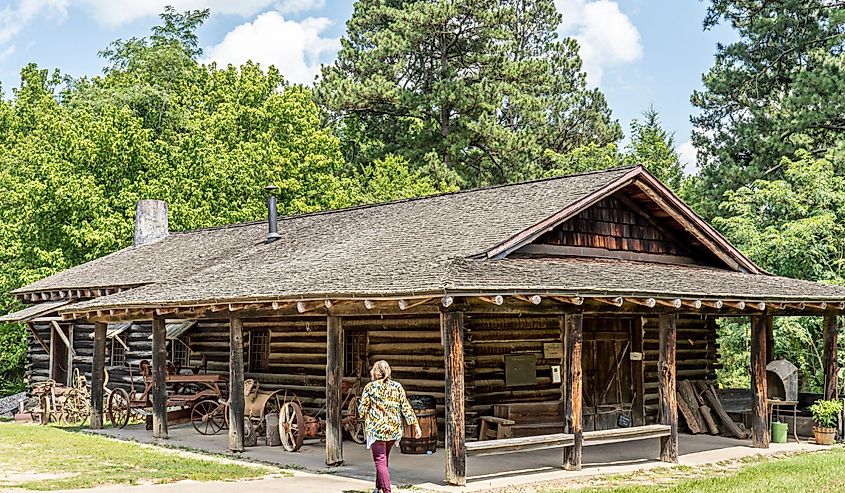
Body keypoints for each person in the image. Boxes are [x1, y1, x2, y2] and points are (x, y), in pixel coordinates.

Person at [358, 360, 421, 493]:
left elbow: (362, 410)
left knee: (380, 461)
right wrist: (416, 425)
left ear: (375, 372)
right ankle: (378, 487)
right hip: (393, 430)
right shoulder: (397, 387)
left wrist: (363, 415)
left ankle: (387, 490)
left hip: (377, 430)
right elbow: (406, 407)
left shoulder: (370, 387)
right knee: (383, 460)